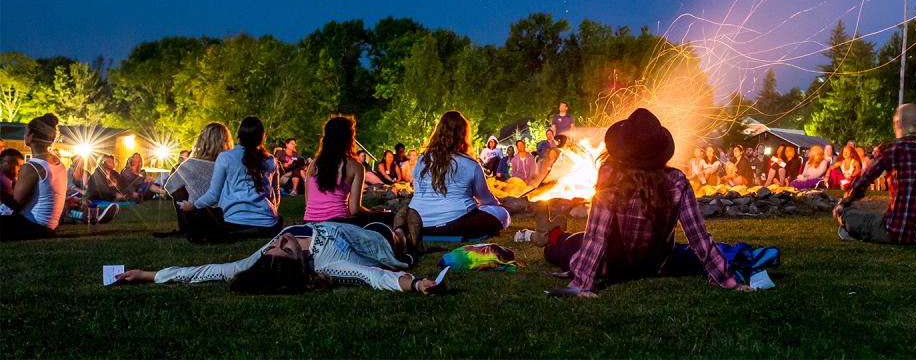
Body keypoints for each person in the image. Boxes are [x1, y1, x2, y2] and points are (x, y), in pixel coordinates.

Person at [532, 108, 750, 297]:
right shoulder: (677, 180)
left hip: (611, 267)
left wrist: (582, 284)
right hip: (655, 266)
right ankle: (554, 233)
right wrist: (729, 280)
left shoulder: (611, 174)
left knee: (567, 245)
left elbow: (597, 236)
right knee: (575, 241)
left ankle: (553, 236)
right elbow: (699, 238)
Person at [114, 221, 446, 295]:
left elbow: (209, 271)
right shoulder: (327, 261)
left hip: (354, 225)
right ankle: (410, 238)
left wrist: (146, 274)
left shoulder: (263, 258)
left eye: (275, 245)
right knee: (403, 229)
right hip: (380, 239)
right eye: (285, 248)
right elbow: (372, 275)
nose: (281, 240)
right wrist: (415, 285)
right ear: (299, 263)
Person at [833, 104, 916, 244]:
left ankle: (849, 227)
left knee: (849, 214)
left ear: (897, 124)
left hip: (896, 231)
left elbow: (864, 181)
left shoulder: (893, 150)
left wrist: (845, 202)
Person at [407, 111, 511, 241]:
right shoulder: (470, 163)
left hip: (419, 224)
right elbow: (485, 198)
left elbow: (418, 191)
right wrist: (497, 205)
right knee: (502, 214)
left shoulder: (422, 159)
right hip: (456, 224)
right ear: (463, 135)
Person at [179, 117, 282, 243]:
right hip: (268, 222)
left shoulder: (225, 157)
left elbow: (213, 194)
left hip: (235, 220)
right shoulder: (270, 159)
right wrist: (271, 212)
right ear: (262, 136)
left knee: (193, 216)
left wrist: (193, 206)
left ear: (239, 135)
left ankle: (239, 233)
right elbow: (275, 193)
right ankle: (256, 230)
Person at [304, 116, 393, 226]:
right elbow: (354, 209)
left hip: (309, 223)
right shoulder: (356, 167)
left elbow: (308, 201)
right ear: (349, 138)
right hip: (338, 224)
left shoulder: (313, 164)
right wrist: (372, 213)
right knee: (387, 220)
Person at [160, 123, 234, 237]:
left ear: (202, 141)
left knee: (178, 189)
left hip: (199, 219)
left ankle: (185, 227)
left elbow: (169, 187)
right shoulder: (233, 164)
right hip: (230, 218)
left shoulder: (190, 164)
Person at [0, 114, 66, 241]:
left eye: (25, 132)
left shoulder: (32, 166)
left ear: (31, 135)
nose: (24, 135)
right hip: (49, 228)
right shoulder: (58, 163)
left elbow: (16, 205)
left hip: (32, 227)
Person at [1, 148, 25, 215]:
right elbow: (16, 206)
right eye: (19, 166)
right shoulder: (2, 180)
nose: (20, 170)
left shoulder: (11, 177)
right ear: (6, 163)